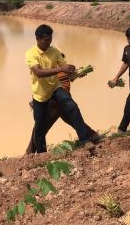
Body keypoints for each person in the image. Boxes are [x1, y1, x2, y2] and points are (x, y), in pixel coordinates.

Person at [25, 24, 97, 153]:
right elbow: (39, 73)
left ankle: (85, 140)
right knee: (40, 128)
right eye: (46, 40)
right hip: (40, 95)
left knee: (72, 107)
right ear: (38, 38)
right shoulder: (31, 54)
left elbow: (65, 69)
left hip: (55, 89)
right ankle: (40, 154)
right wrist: (61, 69)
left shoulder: (54, 52)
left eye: (50, 39)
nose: (49, 43)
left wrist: (75, 72)